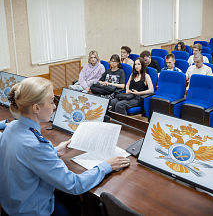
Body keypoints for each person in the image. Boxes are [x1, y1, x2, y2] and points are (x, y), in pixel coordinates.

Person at [0, 77, 130, 216]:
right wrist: (106, 166)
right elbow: (75, 185)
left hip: (11, 208)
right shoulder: (37, 145)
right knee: (76, 203)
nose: (55, 106)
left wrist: (55, 151)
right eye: (51, 102)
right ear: (36, 108)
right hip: (32, 212)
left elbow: (25, 157)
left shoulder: (11, 127)